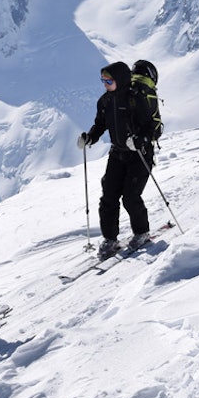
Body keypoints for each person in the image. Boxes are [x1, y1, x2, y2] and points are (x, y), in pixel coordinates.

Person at [76, 61, 162, 259]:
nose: (104, 84)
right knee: (108, 195)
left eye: (108, 81)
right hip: (118, 153)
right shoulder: (106, 101)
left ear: (120, 80)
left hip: (139, 154)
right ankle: (110, 239)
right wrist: (89, 138)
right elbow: (100, 124)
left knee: (130, 196)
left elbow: (155, 128)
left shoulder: (137, 98)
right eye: (103, 80)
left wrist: (140, 140)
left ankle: (141, 232)